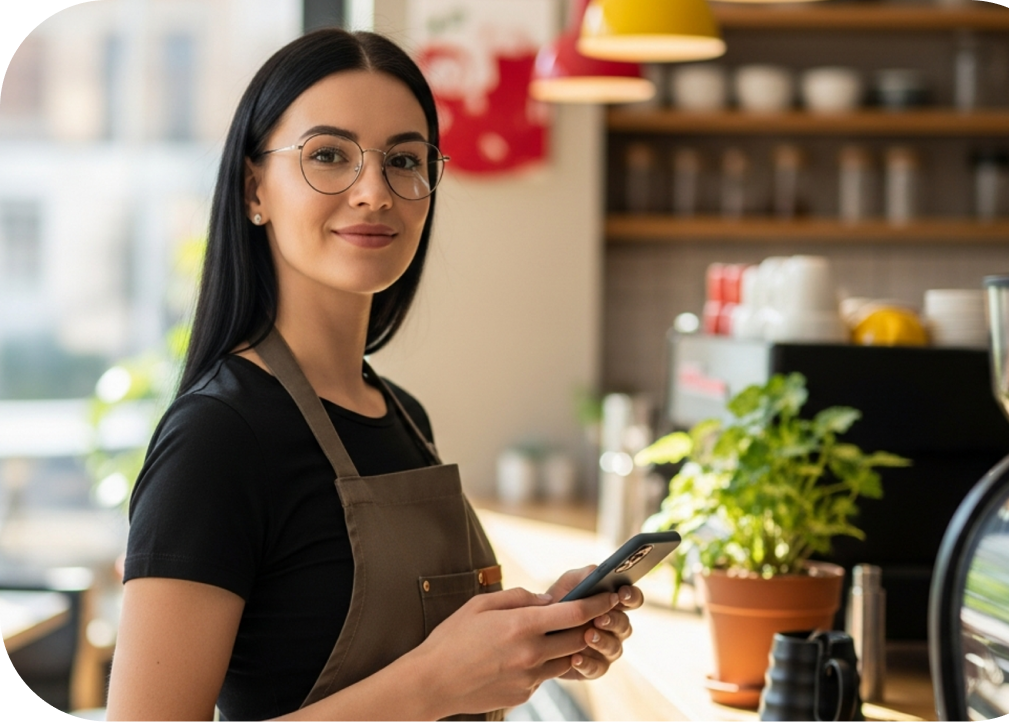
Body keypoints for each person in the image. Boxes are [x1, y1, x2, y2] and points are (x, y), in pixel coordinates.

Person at [106, 28, 643, 722]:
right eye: (328, 155)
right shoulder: (217, 439)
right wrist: (434, 683)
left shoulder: (401, 415)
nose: (374, 192)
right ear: (253, 190)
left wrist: (528, 640)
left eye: (404, 160)